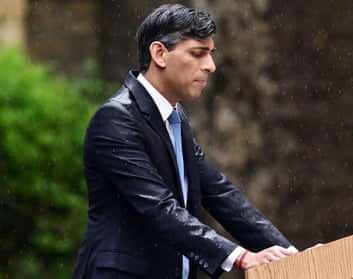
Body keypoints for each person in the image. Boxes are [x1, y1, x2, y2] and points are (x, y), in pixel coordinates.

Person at [72, 3, 297, 279]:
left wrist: (291, 255)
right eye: (197, 54)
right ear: (159, 54)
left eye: (210, 54)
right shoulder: (115, 120)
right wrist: (241, 257)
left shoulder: (175, 118)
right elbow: (159, 208)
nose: (211, 66)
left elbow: (220, 194)